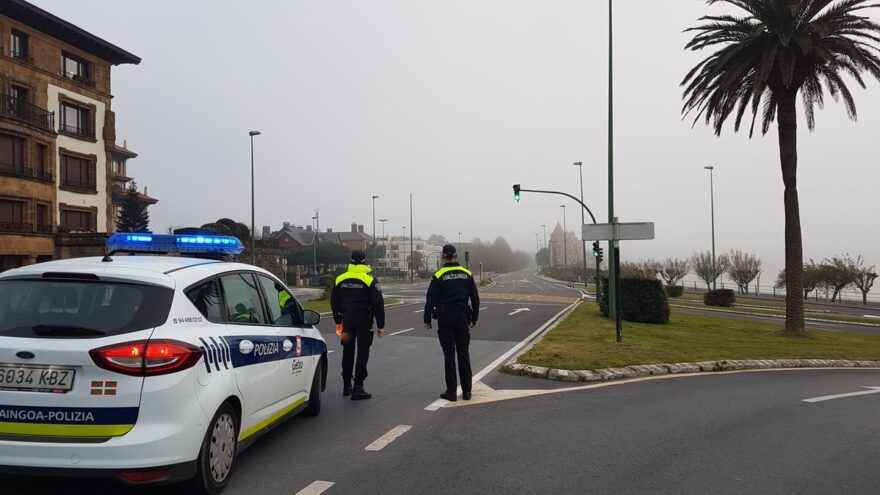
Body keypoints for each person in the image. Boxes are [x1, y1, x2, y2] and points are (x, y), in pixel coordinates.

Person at [424, 244, 479, 402]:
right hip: (463, 317)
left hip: (445, 318)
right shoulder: (466, 273)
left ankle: (451, 392)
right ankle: (467, 392)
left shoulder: (439, 274)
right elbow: (475, 298)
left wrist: (427, 319)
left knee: (449, 355)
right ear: (456, 257)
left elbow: (430, 299)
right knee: (463, 354)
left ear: (442, 257)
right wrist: (474, 317)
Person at [331, 249, 385, 400]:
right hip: (364, 321)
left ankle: (346, 384)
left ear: (350, 261)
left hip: (346, 320)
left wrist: (338, 321)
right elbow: (378, 304)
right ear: (364, 261)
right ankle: (358, 387)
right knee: (362, 352)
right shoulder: (369, 280)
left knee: (347, 352)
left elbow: (334, 303)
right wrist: (380, 325)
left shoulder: (339, 279)